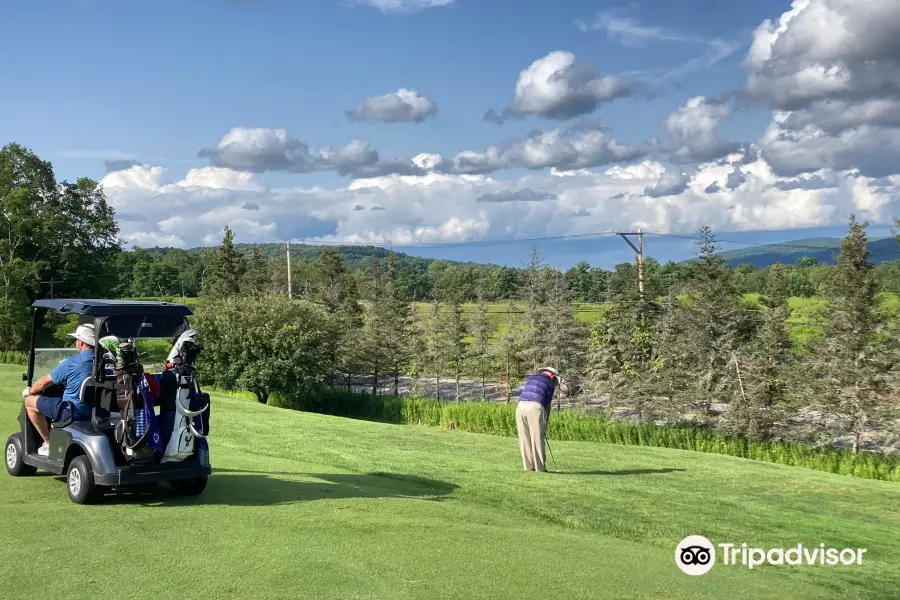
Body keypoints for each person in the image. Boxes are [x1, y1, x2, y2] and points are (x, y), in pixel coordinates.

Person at [22, 323, 96, 456]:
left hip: (72, 412)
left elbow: (44, 383)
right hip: (96, 412)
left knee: (29, 402)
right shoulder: (105, 362)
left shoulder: (71, 362)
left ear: (81, 343)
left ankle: (48, 443)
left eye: (76, 340)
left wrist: (30, 391)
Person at [515, 366, 564, 472]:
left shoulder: (531, 378)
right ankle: (540, 467)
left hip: (520, 407)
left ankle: (528, 467)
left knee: (524, 438)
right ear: (552, 376)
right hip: (535, 407)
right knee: (537, 437)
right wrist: (546, 419)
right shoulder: (550, 383)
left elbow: (521, 396)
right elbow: (547, 404)